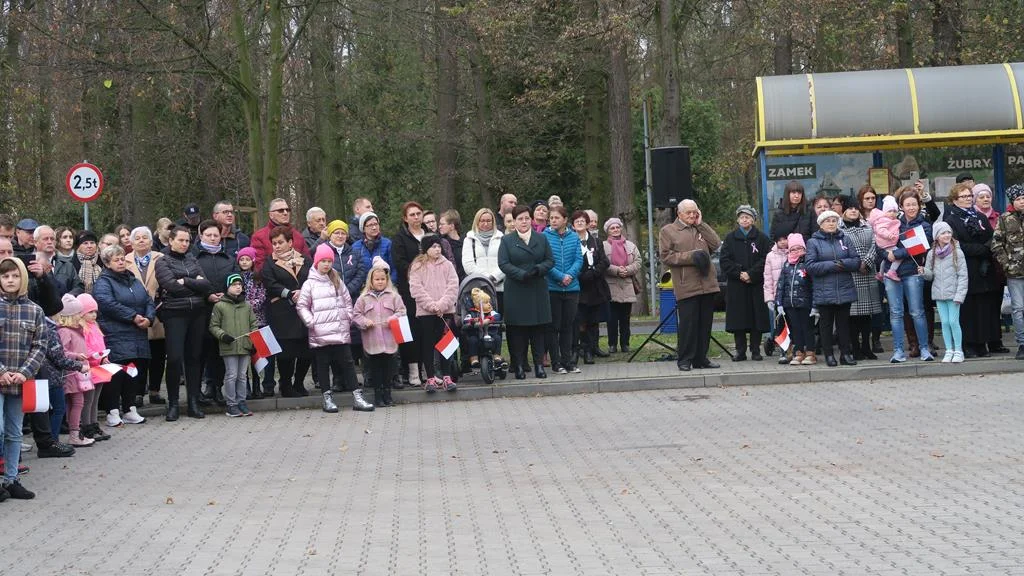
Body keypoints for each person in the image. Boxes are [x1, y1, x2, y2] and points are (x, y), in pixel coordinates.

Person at [297, 244, 372, 412]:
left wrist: (346, 319)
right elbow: (302, 306)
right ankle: (327, 396)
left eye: (329, 261)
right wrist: (312, 322)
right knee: (323, 364)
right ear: (316, 262)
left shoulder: (337, 280)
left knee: (348, 363)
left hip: (339, 331)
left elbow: (347, 302)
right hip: (320, 333)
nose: (326, 264)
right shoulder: (309, 284)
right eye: (323, 261)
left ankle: (357, 396)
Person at [155, 226, 213, 420]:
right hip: (174, 314)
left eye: (187, 241)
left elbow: (206, 285)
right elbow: (170, 286)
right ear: (171, 240)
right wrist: (192, 283)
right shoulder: (162, 261)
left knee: (194, 358)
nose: (185, 244)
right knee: (173, 359)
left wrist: (185, 281)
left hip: (197, 313)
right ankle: (173, 404)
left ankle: (193, 402)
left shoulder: (192, 259)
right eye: (181, 240)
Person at [0, 256, 45, 501]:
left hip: (20, 381)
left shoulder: (34, 310)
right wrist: (2, 372)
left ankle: (11, 479)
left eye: (15, 276)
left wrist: (24, 372)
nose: (10, 280)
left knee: (14, 432)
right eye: (5, 276)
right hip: (1, 378)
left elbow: (40, 345)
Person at [93, 245, 153, 425]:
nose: (120, 262)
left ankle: (130, 408)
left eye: (122, 259)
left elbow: (148, 300)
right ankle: (112, 411)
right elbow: (106, 303)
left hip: (137, 333)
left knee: (134, 372)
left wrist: (149, 318)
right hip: (115, 333)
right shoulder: (104, 282)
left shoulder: (133, 280)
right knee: (116, 373)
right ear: (107, 263)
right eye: (116, 259)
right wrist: (132, 316)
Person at [659, 199, 721, 372]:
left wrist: (702, 225)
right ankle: (685, 359)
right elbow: (666, 256)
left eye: (695, 212)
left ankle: (701, 358)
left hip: (707, 283)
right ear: (679, 214)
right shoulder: (668, 231)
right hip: (687, 284)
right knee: (688, 325)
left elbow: (716, 244)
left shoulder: (699, 228)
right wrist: (691, 257)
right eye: (689, 212)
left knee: (705, 323)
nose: (693, 215)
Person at [943, 182, 1001, 358]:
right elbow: (957, 244)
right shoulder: (951, 220)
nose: (968, 199)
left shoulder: (980, 217)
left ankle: (982, 343)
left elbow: (991, 239)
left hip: (984, 269)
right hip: (965, 268)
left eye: (969, 196)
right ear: (955, 200)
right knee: (968, 309)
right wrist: (981, 249)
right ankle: (969, 344)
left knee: (984, 307)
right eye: (964, 196)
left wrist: (984, 250)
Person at [499, 204, 554, 379]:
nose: (523, 222)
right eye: (519, 219)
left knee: (538, 330)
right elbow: (503, 263)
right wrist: (521, 274)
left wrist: (538, 269)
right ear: (513, 222)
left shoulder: (541, 238)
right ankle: (520, 365)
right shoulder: (507, 241)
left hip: (537, 288)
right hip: (516, 289)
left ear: (531, 219)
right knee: (518, 332)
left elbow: (550, 260)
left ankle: (539, 365)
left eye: (526, 218)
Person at [260, 226, 313, 397]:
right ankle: (286, 384)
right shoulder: (269, 263)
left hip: (304, 311)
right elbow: (270, 283)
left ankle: (299, 382)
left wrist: (303, 292)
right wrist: (289, 293)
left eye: (280, 242)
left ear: (290, 242)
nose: (276, 246)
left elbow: (312, 278)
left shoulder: (305, 260)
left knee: (306, 352)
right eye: (274, 243)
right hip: (282, 313)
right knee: (286, 354)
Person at [881, 190, 934, 362]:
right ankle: (898, 351)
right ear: (901, 207)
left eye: (914, 204)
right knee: (895, 313)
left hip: (912, 272)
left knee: (917, 311)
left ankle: (925, 349)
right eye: (907, 204)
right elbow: (879, 243)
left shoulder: (924, 225)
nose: (911, 207)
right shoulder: (893, 223)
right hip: (891, 274)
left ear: (919, 205)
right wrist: (886, 254)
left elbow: (920, 247)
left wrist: (896, 253)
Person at [805, 210, 860, 367]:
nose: (831, 223)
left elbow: (856, 261)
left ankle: (845, 354)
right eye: (827, 221)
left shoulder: (845, 239)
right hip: (824, 291)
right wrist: (832, 265)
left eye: (834, 220)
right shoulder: (813, 242)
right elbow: (810, 266)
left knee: (844, 324)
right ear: (821, 224)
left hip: (844, 288)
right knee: (826, 325)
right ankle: (829, 355)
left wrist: (842, 264)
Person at [194, 220, 239, 405]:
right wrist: (208, 296)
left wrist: (226, 293)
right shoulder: (193, 257)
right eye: (208, 235)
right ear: (201, 236)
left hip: (223, 311)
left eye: (215, 235)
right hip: (201, 312)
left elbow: (236, 280)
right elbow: (190, 280)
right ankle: (199, 390)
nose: (212, 239)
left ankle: (217, 388)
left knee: (220, 353)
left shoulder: (228, 258)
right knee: (200, 352)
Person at [720, 205, 771, 362]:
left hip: (756, 284)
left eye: (748, 217)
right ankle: (740, 351)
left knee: (756, 319)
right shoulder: (730, 238)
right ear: (737, 219)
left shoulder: (762, 238)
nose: (745, 219)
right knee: (739, 320)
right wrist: (739, 273)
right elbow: (725, 260)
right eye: (742, 217)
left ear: (753, 220)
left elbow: (766, 259)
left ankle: (756, 350)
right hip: (737, 285)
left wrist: (751, 274)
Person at [408, 235, 459, 392]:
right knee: (428, 345)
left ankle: (446, 376)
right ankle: (430, 377)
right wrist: (432, 306)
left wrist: (442, 305)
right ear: (426, 249)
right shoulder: (417, 266)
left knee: (446, 345)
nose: (437, 249)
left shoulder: (448, 265)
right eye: (434, 247)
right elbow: (416, 289)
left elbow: (453, 285)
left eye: (439, 247)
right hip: (426, 313)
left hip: (446, 312)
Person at [353, 258, 405, 407]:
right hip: (372, 340)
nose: (380, 282)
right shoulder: (363, 298)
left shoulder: (394, 296)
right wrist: (364, 322)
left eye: (383, 279)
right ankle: (377, 396)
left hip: (390, 339)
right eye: (377, 279)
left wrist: (393, 318)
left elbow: (402, 311)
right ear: (371, 280)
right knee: (375, 369)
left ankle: (387, 394)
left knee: (389, 368)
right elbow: (356, 315)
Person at [125, 227, 167, 405]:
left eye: (145, 238)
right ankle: (137, 392)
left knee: (158, 354)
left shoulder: (161, 258)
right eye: (137, 238)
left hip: (158, 313)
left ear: (151, 241)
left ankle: (155, 391)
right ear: (132, 242)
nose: (141, 240)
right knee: (139, 356)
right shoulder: (124, 260)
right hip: (135, 314)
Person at [838, 195, 881, 360]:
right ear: (844, 211)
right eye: (850, 208)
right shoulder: (840, 230)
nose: (853, 210)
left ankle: (866, 347)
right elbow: (842, 251)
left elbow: (874, 245)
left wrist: (867, 262)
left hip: (868, 274)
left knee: (866, 316)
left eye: (856, 208)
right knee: (853, 316)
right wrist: (857, 264)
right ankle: (855, 348)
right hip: (851, 275)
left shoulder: (868, 226)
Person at [920, 222, 968, 363]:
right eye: (943, 233)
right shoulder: (932, 254)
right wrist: (924, 272)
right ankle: (949, 350)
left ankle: (958, 350)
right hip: (939, 295)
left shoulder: (957, 252)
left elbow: (963, 276)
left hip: (954, 294)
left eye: (948, 232)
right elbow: (930, 276)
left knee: (953, 321)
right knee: (945, 323)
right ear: (936, 237)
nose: (947, 235)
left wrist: (960, 295)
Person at [209, 274, 256, 417]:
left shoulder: (247, 305)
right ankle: (231, 404)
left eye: (240, 285)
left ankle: (241, 401)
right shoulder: (219, 306)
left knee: (242, 375)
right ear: (227, 287)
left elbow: (253, 324)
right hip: (228, 346)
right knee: (231, 375)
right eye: (234, 284)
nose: (237, 287)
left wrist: (253, 338)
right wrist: (223, 335)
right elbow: (213, 326)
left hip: (245, 346)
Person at [392, 202, 428, 387]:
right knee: (412, 330)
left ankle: (427, 368)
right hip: (410, 292)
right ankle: (413, 370)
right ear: (405, 218)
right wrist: (418, 272)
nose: (416, 217)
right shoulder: (400, 239)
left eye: (418, 213)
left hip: (431, 290)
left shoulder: (430, 236)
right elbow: (399, 262)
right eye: (412, 214)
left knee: (427, 330)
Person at [544, 206, 582, 374]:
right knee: (554, 326)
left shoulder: (574, 237)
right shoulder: (544, 237)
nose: (553, 220)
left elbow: (578, 260)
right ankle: (556, 362)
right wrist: (560, 277)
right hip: (553, 287)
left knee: (568, 326)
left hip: (572, 288)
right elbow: (545, 261)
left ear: (565, 220)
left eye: (557, 217)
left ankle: (568, 361)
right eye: (551, 218)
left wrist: (569, 276)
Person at [55, 294, 96, 446]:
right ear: (71, 316)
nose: (81, 316)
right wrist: (76, 356)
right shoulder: (65, 331)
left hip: (78, 372)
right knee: (77, 402)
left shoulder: (76, 330)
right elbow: (62, 352)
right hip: (71, 373)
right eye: (79, 313)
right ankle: (74, 434)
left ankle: (74, 432)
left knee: (75, 402)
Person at [573, 210, 610, 363]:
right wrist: (580, 275)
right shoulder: (571, 240)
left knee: (593, 320)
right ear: (573, 225)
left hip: (595, 286)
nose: (580, 223)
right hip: (579, 286)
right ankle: (580, 348)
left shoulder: (596, 241)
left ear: (588, 223)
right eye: (577, 221)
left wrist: (594, 272)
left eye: (583, 221)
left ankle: (591, 349)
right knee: (580, 320)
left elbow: (604, 261)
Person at [992, 184, 1024, 360]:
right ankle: (1022, 343)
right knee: (1018, 309)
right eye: (1019, 199)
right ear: (1013, 201)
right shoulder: (1005, 219)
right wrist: (1007, 264)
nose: (1022, 201)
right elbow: (996, 244)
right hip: (1015, 273)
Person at [236, 247, 272, 397]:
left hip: (259, 321)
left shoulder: (258, 277)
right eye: (242, 259)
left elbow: (262, 296)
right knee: (244, 356)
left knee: (258, 356)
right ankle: (247, 387)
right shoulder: (236, 277)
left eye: (247, 259)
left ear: (253, 261)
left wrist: (249, 305)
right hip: (241, 322)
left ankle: (259, 385)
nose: (244, 262)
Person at [603, 217, 641, 354]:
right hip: (611, 285)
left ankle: (625, 344)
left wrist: (628, 270)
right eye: (612, 228)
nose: (615, 230)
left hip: (627, 285)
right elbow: (602, 263)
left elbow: (638, 261)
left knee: (625, 319)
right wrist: (617, 270)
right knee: (612, 319)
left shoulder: (631, 245)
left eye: (617, 227)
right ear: (608, 231)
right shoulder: (603, 246)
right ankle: (612, 344)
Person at [775, 234, 814, 365]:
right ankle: (798, 352)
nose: (796, 251)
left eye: (799, 248)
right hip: (789, 303)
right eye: (793, 249)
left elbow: (814, 285)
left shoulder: (808, 263)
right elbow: (781, 285)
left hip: (805, 303)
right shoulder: (787, 264)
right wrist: (779, 303)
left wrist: (815, 305)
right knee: (795, 329)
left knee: (807, 328)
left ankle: (810, 352)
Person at [249, 197, 311, 271]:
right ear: (271, 215)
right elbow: (259, 266)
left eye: (287, 210)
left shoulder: (298, 236)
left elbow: (308, 262)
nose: (285, 213)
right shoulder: (259, 237)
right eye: (281, 210)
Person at [462, 208, 505, 306]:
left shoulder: (502, 238)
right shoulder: (469, 239)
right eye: (482, 221)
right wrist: (485, 279)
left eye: (488, 221)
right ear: (477, 222)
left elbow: (505, 262)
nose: (485, 224)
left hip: (499, 287)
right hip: (477, 289)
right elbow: (468, 265)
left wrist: (494, 277)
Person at [763, 231, 788, 363]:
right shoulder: (770, 256)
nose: (783, 242)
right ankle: (783, 351)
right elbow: (767, 278)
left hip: (793, 295)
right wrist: (769, 298)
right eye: (780, 239)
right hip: (778, 296)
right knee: (780, 324)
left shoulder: (794, 253)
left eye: (786, 239)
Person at [869, 195, 903, 282]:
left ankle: (880, 273)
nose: (892, 213)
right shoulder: (883, 220)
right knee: (899, 256)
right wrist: (888, 235)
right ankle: (892, 271)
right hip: (886, 242)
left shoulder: (891, 220)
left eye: (894, 211)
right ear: (884, 212)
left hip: (886, 243)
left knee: (885, 259)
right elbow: (880, 230)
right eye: (890, 211)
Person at [439, 210, 465, 279]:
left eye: (442, 224)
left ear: (452, 226)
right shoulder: (441, 244)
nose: (439, 227)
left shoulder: (466, 242)